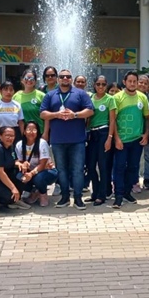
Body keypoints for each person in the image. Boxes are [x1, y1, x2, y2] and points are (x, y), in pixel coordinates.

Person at [40, 68, 94, 209]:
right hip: (57, 140)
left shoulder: (80, 93)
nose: (65, 78)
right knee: (61, 170)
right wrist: (57, 114)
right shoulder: (50, 95)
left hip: (77, 140)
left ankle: (78, 198)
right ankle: (64, 197)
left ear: (71, 79)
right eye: (62, 76)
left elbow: (90, 110)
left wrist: (74, 115)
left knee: (78, 170)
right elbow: (43, 114)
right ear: (58, 79)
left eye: (68, 76)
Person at [112, 71, 149, 209]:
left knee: (133, 167)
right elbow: (113, 120)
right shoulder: (117, 98)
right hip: (122, 140)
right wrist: (117, 138)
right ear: (124, 82)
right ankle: (118, 196)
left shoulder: (142, 97)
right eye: (130, 81)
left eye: (135, 81)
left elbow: (147, 118)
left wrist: (146, 134)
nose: (132, 84)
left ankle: (127, 192)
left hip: (136, 140)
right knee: (119, 167)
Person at [86, 75, 115, 206]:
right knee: (91, 166)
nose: (101, 87)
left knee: (103, 166)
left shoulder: (110, 99)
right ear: (94, 85)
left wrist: (109, 138)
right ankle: (95, 192)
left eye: (103, 84)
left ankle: (102, 195)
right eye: (98, 84)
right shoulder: (90, 98)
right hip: (92, 134)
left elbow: (112, 120)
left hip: (104, 132)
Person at [15, 121, 58, 205]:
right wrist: (22, 165)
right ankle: (33, 191)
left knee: (38, 178)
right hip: (30, 171)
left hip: (47, 171)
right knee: (18, 176)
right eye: (28, 130)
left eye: (34, 130)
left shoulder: (42, 143)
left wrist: (31, 174)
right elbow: (18, 161)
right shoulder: (19, 144)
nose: (31, 132)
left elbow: (43, 164)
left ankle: (43, 193)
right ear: (24, 132)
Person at [14, 69, 46, 133]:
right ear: (22, 80)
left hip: (39, 132)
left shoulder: (42, 96)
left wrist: (45, 133)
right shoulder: (16, 96)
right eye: (26, 78)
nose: (29, 80)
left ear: (35, 81)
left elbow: (46, 117)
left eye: (32, 78)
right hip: (23, 133)